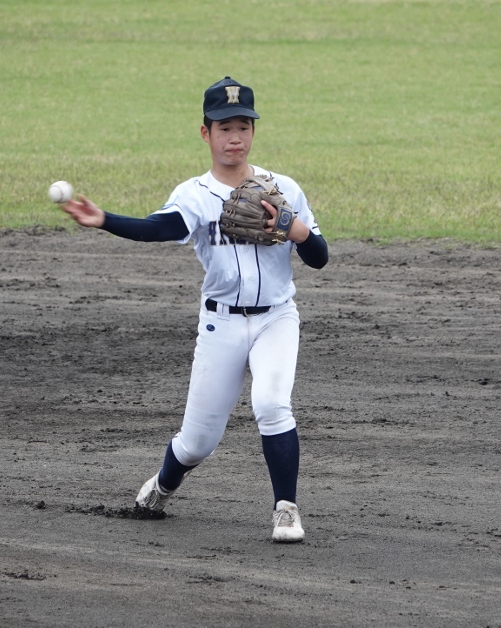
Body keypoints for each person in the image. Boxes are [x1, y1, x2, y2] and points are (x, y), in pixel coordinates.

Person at [59, 77, 328, 542]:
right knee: (198, 442)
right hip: (221, 323)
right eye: (224, 128)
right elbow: (157, 228)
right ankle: (163, 485)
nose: (234, 137)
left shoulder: (283, 189)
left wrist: (293, 228)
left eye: (243, 127)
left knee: (271, 404)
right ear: (206, 133)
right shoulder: (194, 194)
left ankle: (286, 509)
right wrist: (103, 220)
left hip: (277, 318)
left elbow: (319, 257)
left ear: (254, 131)